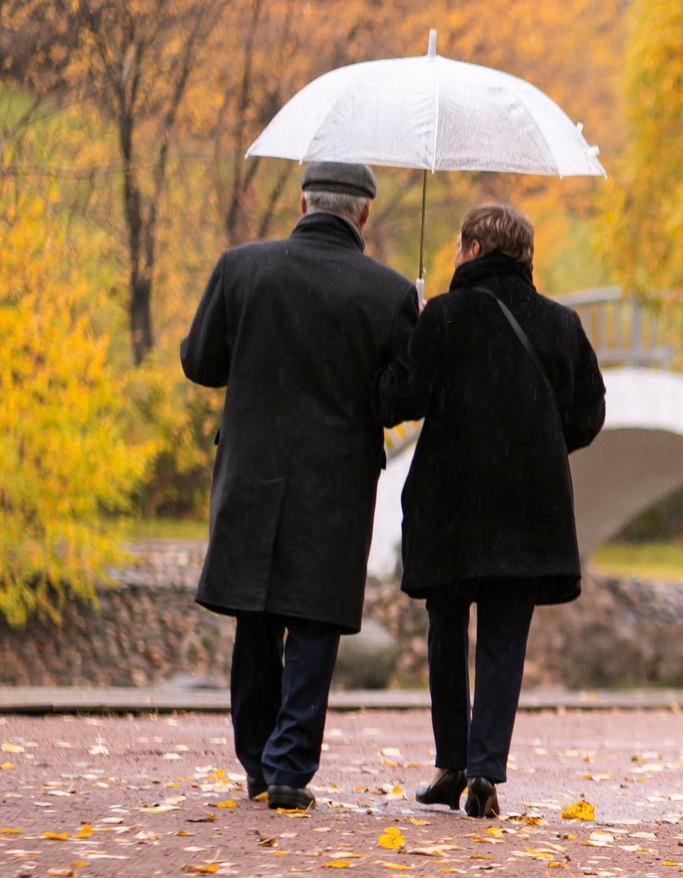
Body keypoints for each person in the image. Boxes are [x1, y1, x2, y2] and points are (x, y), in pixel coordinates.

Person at [180, 161, 416, 811]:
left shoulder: (241, 267)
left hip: (251, 469)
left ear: (304, 200)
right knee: (314, 622)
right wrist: (411, 333)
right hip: (335, 480)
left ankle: (256, 760)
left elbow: (201, 362)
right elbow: (400, 399)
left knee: (254, 619)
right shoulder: (388, 293)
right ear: (363, 214)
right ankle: (288, 768)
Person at [378, 202, 605, 817]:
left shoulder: (445, 317)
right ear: (525, 256)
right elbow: (590, 415)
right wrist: (538, 444)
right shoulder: (561, 323)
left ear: (474, 250)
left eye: (459, 248)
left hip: (452, 505)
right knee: (505, 636)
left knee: (447, 633)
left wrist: (414, 330)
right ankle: (485, 774)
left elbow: (401, 399)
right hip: (529, 510)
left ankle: (452, 764)